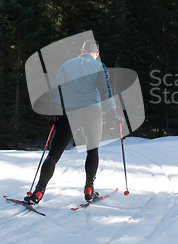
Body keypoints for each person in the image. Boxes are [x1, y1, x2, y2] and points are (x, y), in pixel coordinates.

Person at [25, 40, 124, 204]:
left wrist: (55, 110)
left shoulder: (67, 65)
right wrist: (113, 112)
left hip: (70, 112)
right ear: (97, 54)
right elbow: (105, 90)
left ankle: (38, 192)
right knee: (92, 151)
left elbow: (57, 88)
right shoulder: (99, 66)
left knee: (54, 154)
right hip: (92, 112)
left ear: (81, 50)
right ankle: (89, 189)